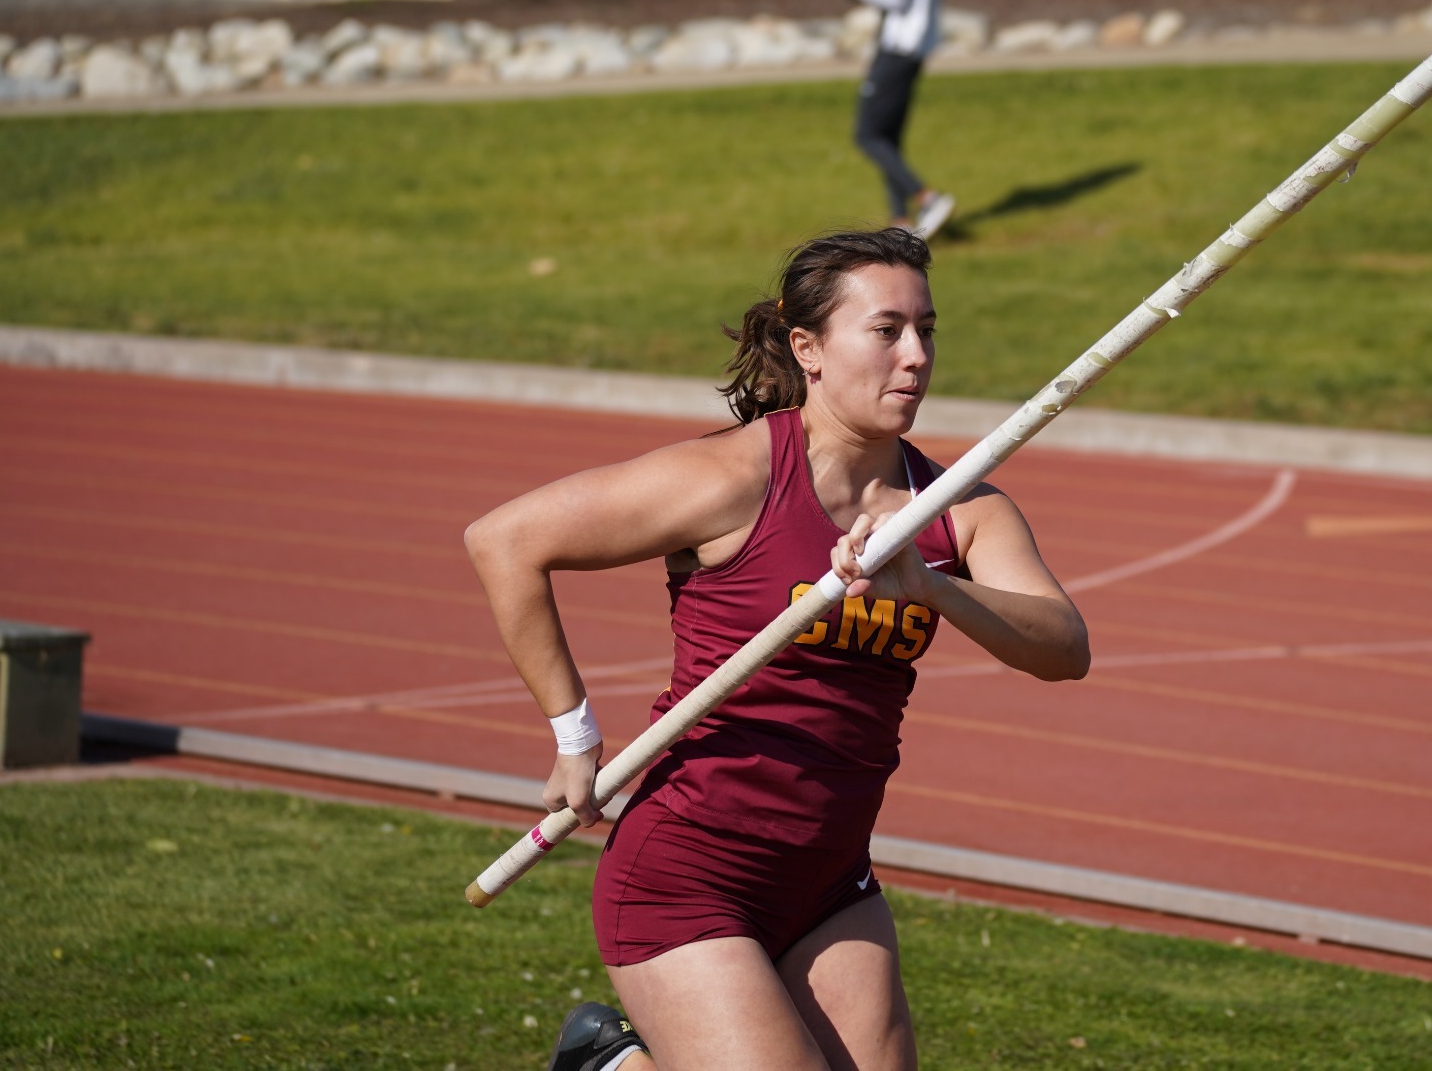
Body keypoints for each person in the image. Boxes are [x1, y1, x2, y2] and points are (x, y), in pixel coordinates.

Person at [467, 227, 1090, 1070]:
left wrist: (936, 587)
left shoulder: (958, 510)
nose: (915, 357)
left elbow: (1064, 648)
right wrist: (575, 738)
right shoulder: (735, 478)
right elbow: (505, 541)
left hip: (832, 878)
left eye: (927, 330)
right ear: (810, 349)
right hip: (688, 869)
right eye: (886, 331)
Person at [843, 0, 955, 239]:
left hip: (900, 49)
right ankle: (900, 220)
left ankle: (928, 199)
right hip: (909, 48)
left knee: (868, 135)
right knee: (888, 136)